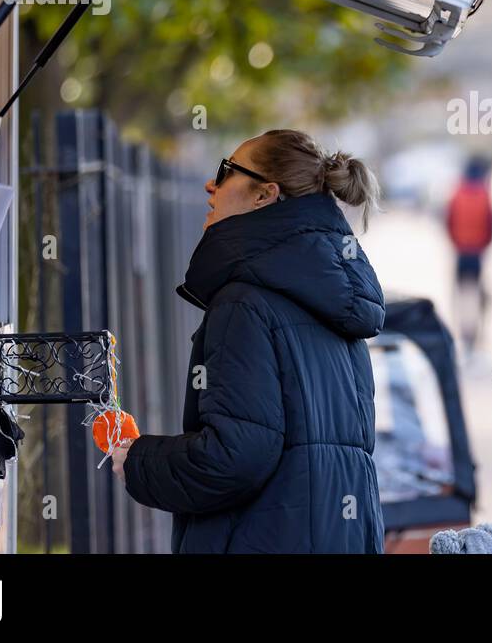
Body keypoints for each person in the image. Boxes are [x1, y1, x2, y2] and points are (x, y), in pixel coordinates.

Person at [112, 129, 386, 553]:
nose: (211, 185)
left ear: (264, 195)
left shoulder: (244, 304)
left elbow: (234, 458)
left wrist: (138, 460)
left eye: (226, 171)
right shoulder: (338, 302)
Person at [445, 156, 492, 355]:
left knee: (462, 292)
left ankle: (465, 331)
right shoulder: (485, 194)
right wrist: (484, 244)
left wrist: (456, 242)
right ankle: (474, 331)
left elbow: (448, 221)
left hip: (461, 251)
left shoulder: (457, 193)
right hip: (477, 252)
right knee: (476, 292)